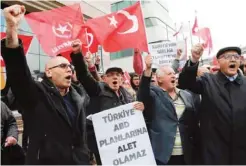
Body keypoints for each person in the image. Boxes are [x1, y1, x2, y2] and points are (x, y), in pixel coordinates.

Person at [1, 5, 90, 164]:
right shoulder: (37, 94)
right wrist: (12, 29)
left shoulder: (79, 96)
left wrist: (85, 155)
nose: (68, 69)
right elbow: (19, 75)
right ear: (48, 72)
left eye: (69, 66)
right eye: (62, 66)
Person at [70, 40, 145, 165]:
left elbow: (134, 116)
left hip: (124, 143)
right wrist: (78, 54)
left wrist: (140, 108)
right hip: (104, 145)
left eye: (117, 75)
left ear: (122, 79)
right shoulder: (98, 89)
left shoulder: (128, 96)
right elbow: (83, 75)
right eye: (110, 75)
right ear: (104, 79)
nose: (114, 77)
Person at [178, 45, 246, 164]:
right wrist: (194, 60)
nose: (233, 59)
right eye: (227, 57)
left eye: (236, 56)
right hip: (215, 151)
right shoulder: (208, 81)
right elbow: (185, 82)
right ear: (218, 61)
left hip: (241, 152)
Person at [138, 54, 200, 165]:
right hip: (164, 155)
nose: (173, 76)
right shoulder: (154, 94)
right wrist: (148, 69)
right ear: (159, 79)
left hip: (186, 153)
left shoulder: (186, 95)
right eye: (169, 74)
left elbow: (193, 123)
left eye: (174, 73)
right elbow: (143, 92)